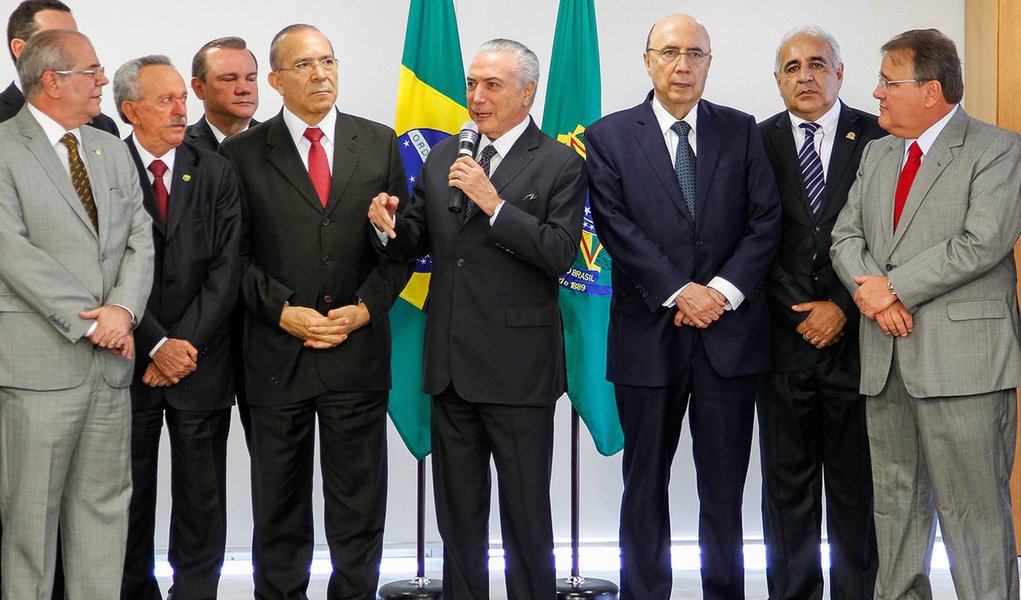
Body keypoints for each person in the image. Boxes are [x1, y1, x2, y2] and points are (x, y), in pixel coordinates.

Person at [368, 38, 587, 600]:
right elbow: (416, 243)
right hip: (449, 367)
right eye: (471, 84)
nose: (477, 96)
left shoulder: (560, 161)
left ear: (528, 92)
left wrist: (495, 205)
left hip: (518, 371)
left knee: (526, 518)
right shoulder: (445, 155)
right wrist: (388, 227)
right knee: (458, 520)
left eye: (492, 85)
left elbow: (561, 252)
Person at [584, 14, 781, 600]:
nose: (683, 65)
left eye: (696, 54)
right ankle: (645, 593)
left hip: (731, 337)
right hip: (649, 336)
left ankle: (724, 591)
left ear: (709, 63)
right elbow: (615, 226)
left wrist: (718, 293)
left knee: (724, 490)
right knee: (643, 485)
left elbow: (765, 222)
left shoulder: (742, 130)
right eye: (670, 52)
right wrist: (680, 290)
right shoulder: (608, 136)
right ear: (647, 60)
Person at [218, 23, 408, 599]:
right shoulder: (241, 154)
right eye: (304, 65)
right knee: (278, 510)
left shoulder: (379, 143)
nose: (321, 73)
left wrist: (365, 311)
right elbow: (233, 257)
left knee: (358, 508)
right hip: (278, 357)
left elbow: (402, 249)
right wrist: (284, 313)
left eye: (327, 61)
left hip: (356, 355)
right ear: (274, 80)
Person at [830, 28, 1021, 600]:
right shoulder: (879, 151)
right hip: (886, 361)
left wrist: (891, 290)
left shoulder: (997, 149)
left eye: (890, 82)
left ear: (932, 90)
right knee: (895, 509)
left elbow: (981, 243)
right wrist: (872, 295)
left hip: (963, 367)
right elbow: (846, 235)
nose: (877, 93)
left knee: (975, 512)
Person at [0, 29, 153, 599]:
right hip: (38, 370)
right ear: (51, 82)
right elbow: (11, 251)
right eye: (90, 71)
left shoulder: (110, 147)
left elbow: (141, 238)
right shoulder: (2, 148)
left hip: (109, 370)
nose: (101, 81)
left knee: (104, 519)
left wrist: (122, 309)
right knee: (28, 528)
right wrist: (94, 322)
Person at [757, 26, 883, 600]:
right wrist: (798, 310)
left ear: (840, 72)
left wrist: (839, 305)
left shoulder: (880, 137)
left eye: (816, 64)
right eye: (792, 67)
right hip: (782, 346)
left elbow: (890, 239)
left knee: (858, 489)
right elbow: (747, 238)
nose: (805, 76)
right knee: (787, 492)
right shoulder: (754, 142)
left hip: (861, 343)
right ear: (778, 80)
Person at [114, 55, 241, 600]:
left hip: (200, 362)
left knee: (201, 500)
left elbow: (228, 266)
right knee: (127, 499)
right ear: (129, 110)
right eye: (165, 100)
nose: (180, 109)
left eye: (181, 99)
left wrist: (183, 343)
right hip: (128, 365)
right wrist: (156, 343)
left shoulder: (215, 169)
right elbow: (102, 271)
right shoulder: (102, 167)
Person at [186, 35, 259, 448]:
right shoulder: (179, 148)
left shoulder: (282, 146)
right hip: (200, 337)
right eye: (229, 78)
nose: (243, 88)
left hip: (264, 337)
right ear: (198, 88)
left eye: (249, 77)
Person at [2, 0, 119, 133]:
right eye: (55, 39)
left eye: (74, 37)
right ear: (20, 49)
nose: (71, 45)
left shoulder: (104, 126)